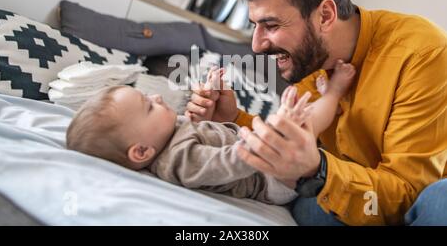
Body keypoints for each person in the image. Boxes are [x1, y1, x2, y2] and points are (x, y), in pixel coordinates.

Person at [185, 0, 447, 225]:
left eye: (271, 26)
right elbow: (291, 141)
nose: (257, 45)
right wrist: (233, 118)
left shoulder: (422, 53)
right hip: (340, 196)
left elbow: (409, 194)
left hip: (415, 209)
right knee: (310, 202)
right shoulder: (310, 63)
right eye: (255, 25)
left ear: (325, 16)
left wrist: (317, 170)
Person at [66, 61, 355, 206]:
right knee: (304, 124)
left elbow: (203, 132)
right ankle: (335, 92)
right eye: (148, 107)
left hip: (261, 157)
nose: (156, 99)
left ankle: (327, 105)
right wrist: (266, 139)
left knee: (300, 121)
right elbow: (222, 163)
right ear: (141, 151)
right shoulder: (177, 161)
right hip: (269, 179)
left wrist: (208, 106)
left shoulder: (166, 133)